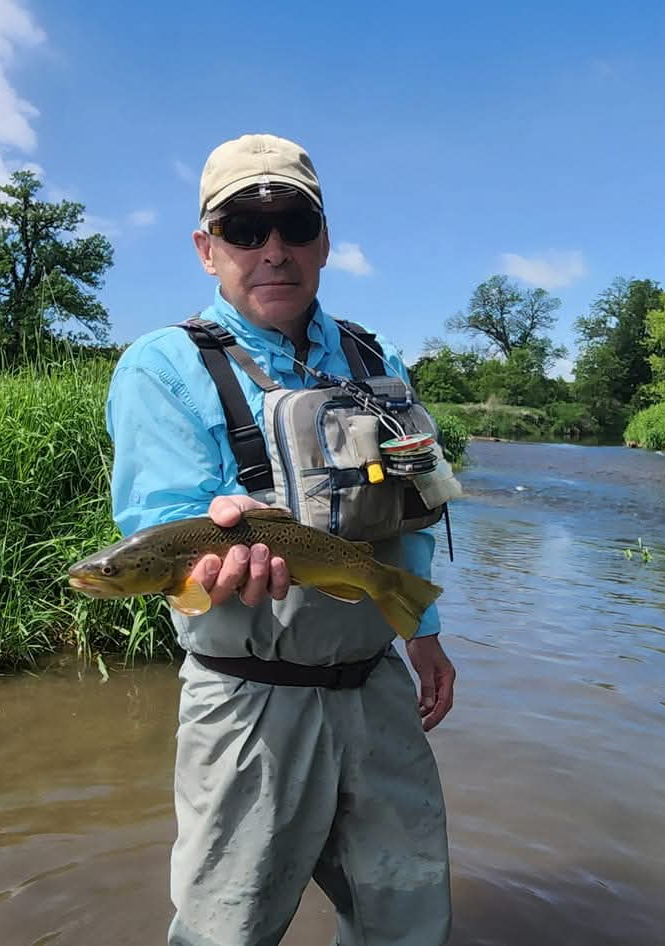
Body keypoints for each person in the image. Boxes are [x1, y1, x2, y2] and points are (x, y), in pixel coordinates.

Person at [103, 132, 457, 946]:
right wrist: (219, 562)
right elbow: (163, 530)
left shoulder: (375, 356)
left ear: (325, 240)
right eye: (243, 228)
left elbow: (409, 508)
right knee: (226, 931)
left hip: (376, 686)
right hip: (249, 701)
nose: (274, 250)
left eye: (295, 224)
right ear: (205, 247)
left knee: (408, 919)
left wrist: (423, 634)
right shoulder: (162, 367)